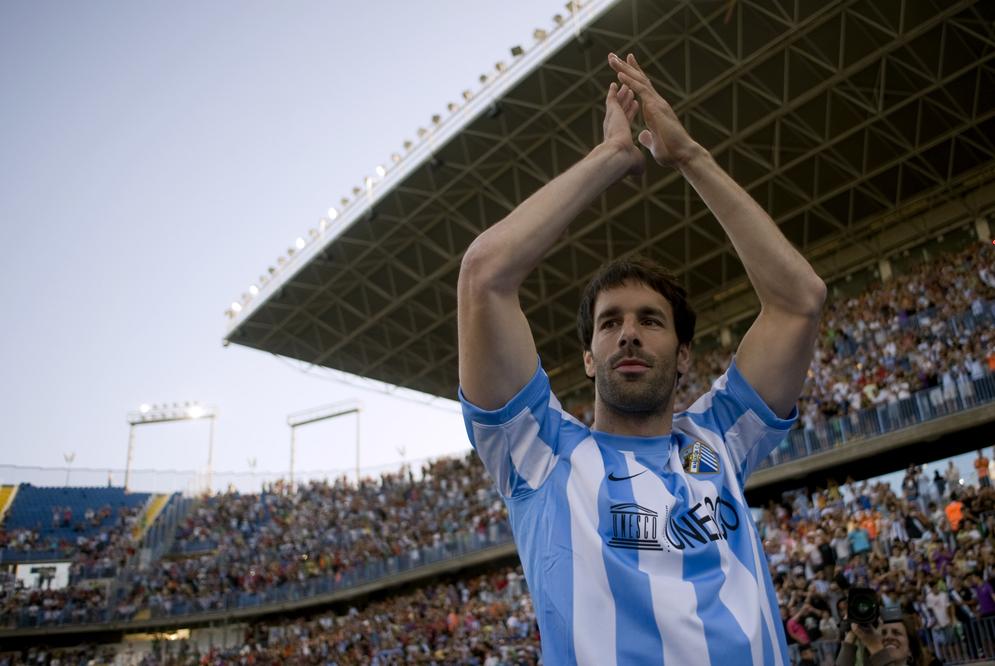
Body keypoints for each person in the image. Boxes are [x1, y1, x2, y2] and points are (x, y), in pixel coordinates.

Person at [458, 52, 826, 665]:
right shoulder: (540, 454)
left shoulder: (719, 440)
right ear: (586, 357)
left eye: (649, 320)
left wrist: (690, 158)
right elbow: (484, 275)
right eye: (610, 323)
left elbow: (800, 301)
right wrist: (612, 158)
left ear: (684, 358)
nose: (628, 334)